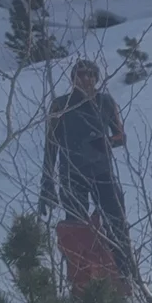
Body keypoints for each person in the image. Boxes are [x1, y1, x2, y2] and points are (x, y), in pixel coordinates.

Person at [39, 58, 135, 277]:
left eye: (90, 74)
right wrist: (47, 183)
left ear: (97, 78)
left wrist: (107, 142)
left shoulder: (106, 102)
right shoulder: (61, 105)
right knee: (75, 231)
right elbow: (51, 146)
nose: (86, 79)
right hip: (72, 174)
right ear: (73, 79)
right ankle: (81, 281)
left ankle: (124, 275)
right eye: (80, 74)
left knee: (117, 223)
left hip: (103, 172)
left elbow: (120, 136)